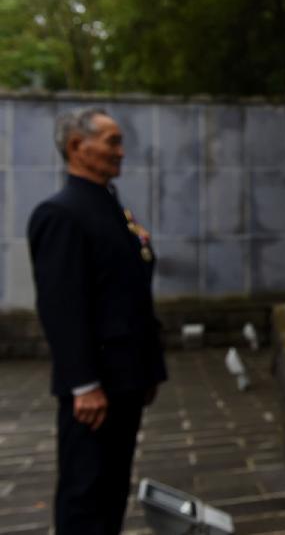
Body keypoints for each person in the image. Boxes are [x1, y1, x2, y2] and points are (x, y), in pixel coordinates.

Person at [27, 107, 167, 534]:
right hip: (95, 391)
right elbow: (61, 307)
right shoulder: (62, 213)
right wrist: (83, 384)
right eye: (111, 142)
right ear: (76, 146)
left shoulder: (109, 208)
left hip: (125, 379)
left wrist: (147, 369)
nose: (121, 152)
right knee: (85, 496)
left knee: (110, 491)